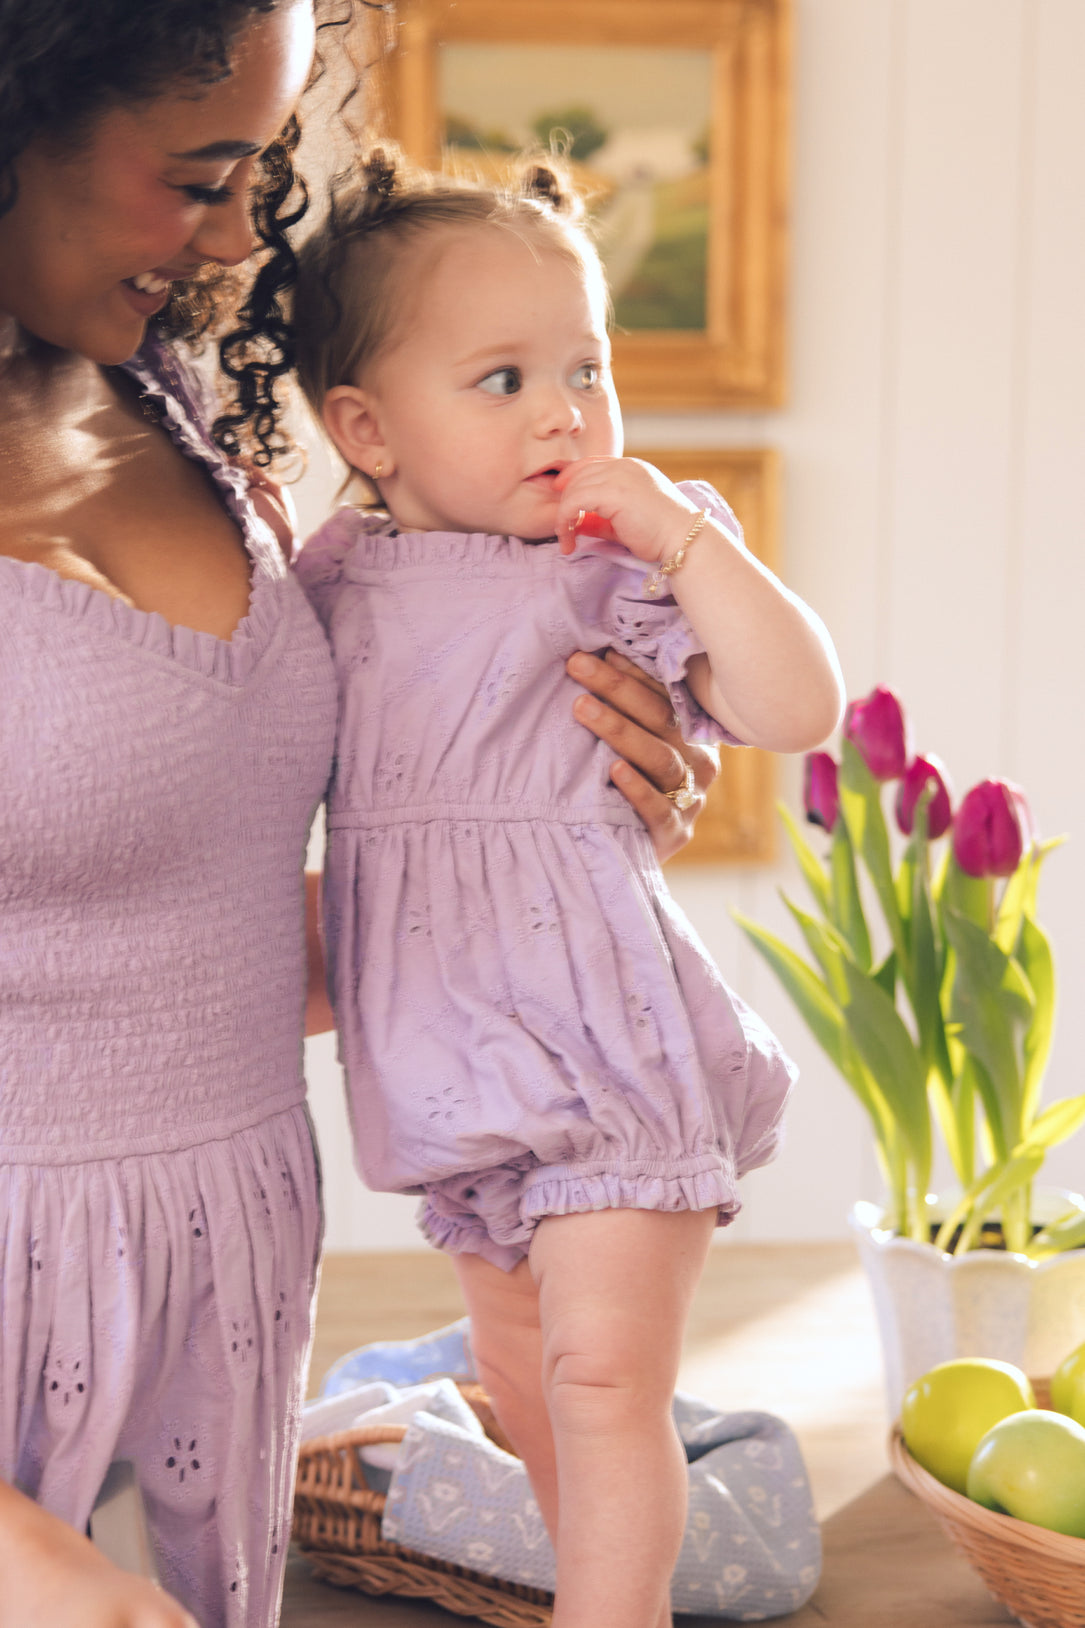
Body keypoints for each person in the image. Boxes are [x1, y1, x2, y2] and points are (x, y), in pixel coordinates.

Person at [0, 5, 717, 1624]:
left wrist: (563, 828)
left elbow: (169, 919)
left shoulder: (165, 402)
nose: (241, 234)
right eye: (200, 176)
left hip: (221, 1306)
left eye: (255, 172)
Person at [292, 151, 846, 1628]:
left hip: (604, 1050)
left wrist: (688, 540)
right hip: (448, 1075)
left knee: (603, 1379)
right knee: (528, 1384)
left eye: (585, 369)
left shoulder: (605, 563)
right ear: (365, 428)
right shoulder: (330, 586)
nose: (564, 412)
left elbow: (796, 708)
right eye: (503, 379)